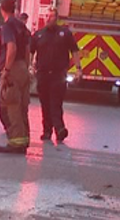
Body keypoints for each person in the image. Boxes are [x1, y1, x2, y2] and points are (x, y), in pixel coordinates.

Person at [31, 8, 82, 144]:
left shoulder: (64, 33)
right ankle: (47, 131)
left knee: (56, 103)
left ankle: (59, 129)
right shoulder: (39, 35)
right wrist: (30, 66)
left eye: (52, 16)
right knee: (45, 104)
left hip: (58, 75)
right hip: (42, 75)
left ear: (57, 18)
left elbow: (75, 51)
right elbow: (31, 51)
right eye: (47, 16)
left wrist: (78, 69)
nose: (49, 18)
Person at [0, 0, 32, 154]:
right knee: (22, 105)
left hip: (13, 68)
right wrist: (26, 67)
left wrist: (7, 70)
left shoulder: (7, 26)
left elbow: (12, 48)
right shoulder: (22, 27)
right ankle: (23, 140)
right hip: (23, 66)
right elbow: (28, 49)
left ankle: (16, 142)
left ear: (2, 9)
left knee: (10, 106)